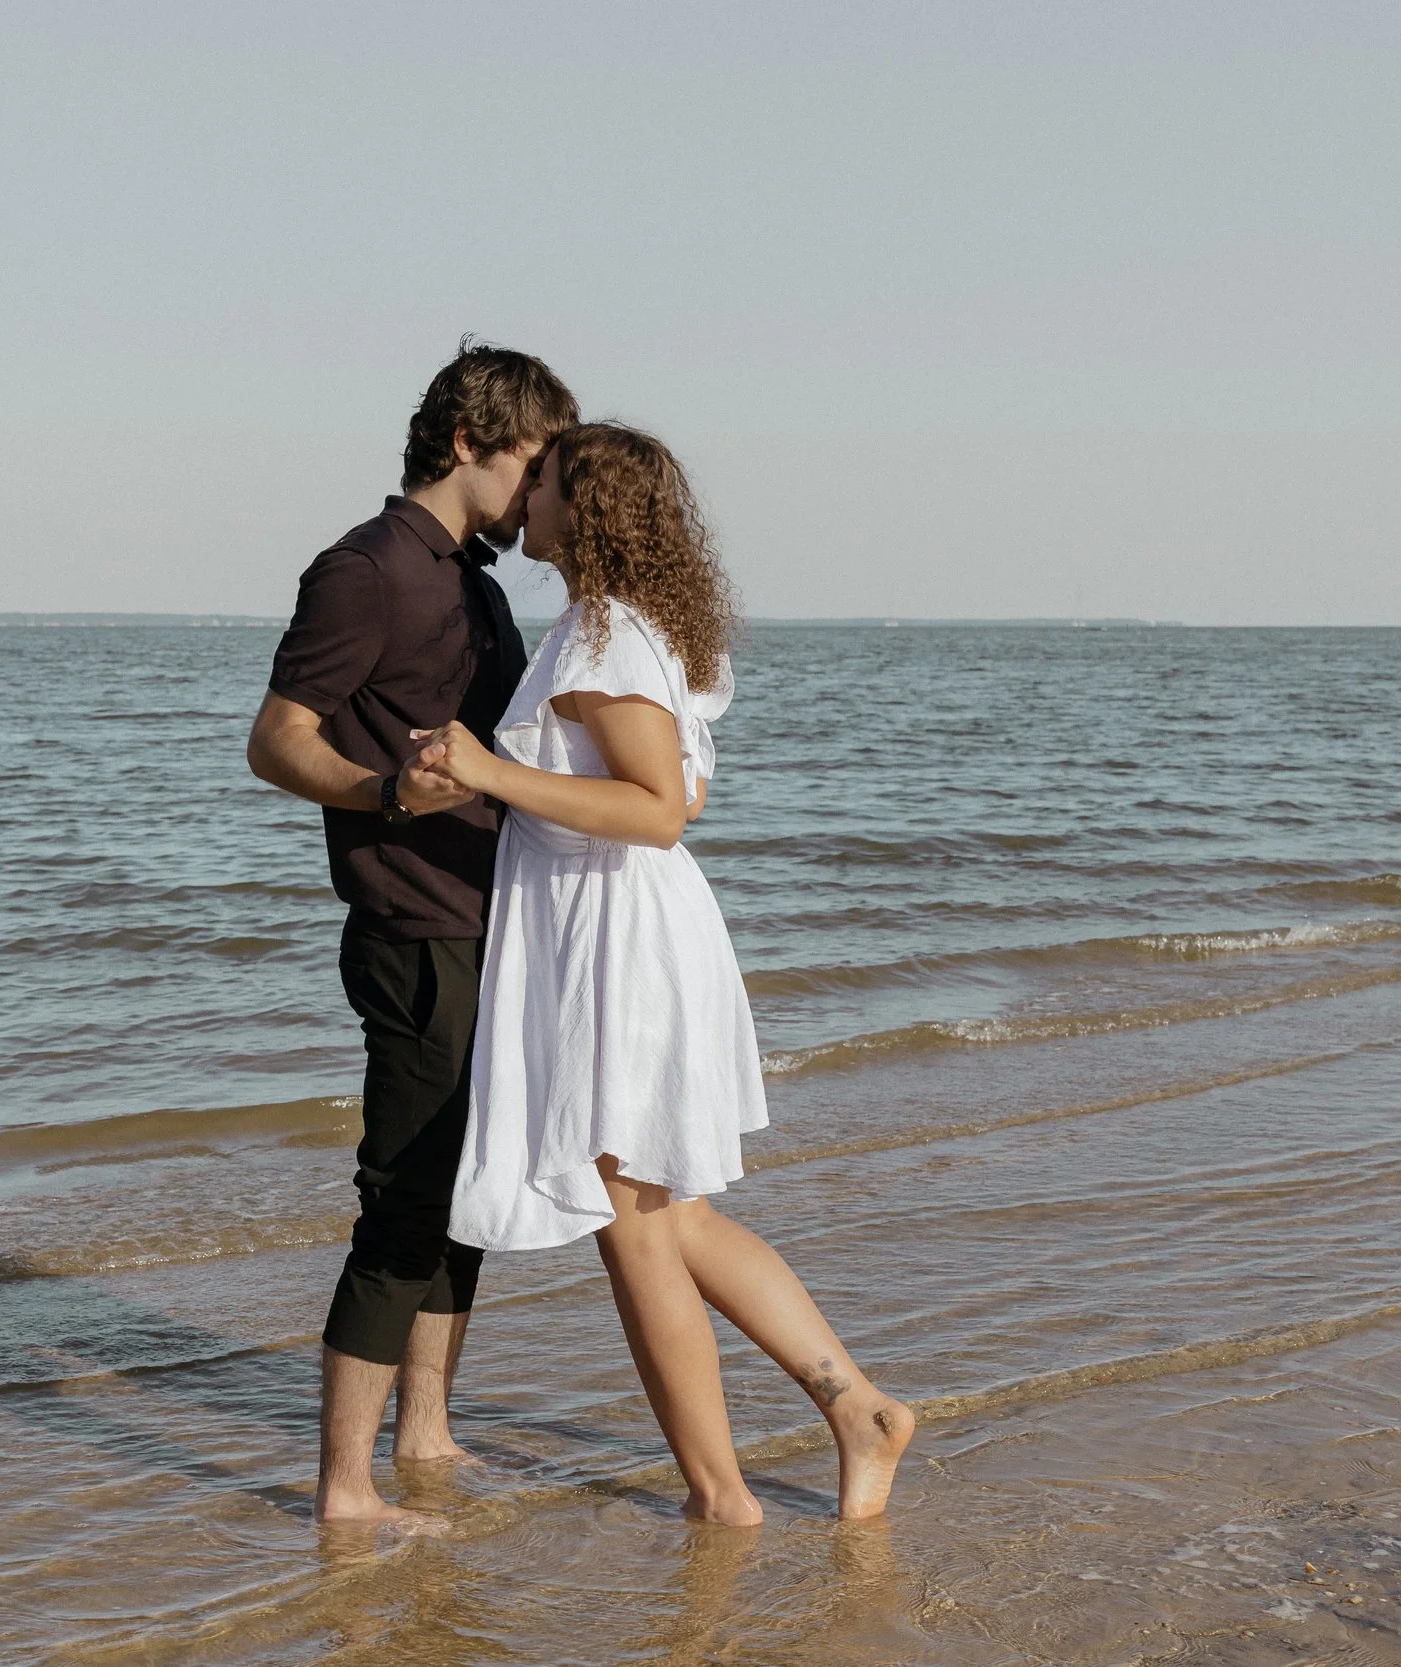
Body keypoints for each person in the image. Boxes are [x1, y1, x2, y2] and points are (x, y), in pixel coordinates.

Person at [413, 423, 914, 1525]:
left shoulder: (602, 635)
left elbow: (653, 812)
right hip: (614, 925)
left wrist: (491, 770)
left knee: (635, 1223)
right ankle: (856, 1410)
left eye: (540, 480)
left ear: (579, 507)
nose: (523, 495)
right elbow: (676, 797)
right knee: (665, 1214)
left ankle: (721, 1496)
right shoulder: (630, 627)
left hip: (615, 936)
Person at [246, 342, 579, 1528]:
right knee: (402, 1197)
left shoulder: (476, 584)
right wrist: (387, 797)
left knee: (463, 1185)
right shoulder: (365, 568)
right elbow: (275, 739)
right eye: (536, 460)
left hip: (490, 918)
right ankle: (343, 1487)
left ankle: (425, 1431)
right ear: (466, 441)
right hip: (412, 925)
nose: (548, 486)